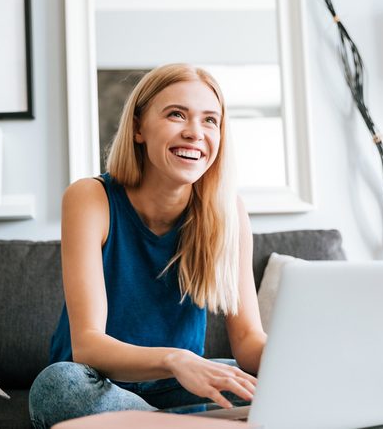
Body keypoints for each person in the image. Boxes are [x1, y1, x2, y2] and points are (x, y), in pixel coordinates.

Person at [28, 64, 267, 428]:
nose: (194, 133)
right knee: (59, 387)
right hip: (100, 385)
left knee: (259, 382)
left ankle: (153, 422)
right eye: (176, 115)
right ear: (139, 127)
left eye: (210, 121)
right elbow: (88, 344)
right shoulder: (91, 198)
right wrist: (175, 360)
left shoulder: (227, 211)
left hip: (181, 385)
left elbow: (248, 340)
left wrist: (302, 363)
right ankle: (182, 422)